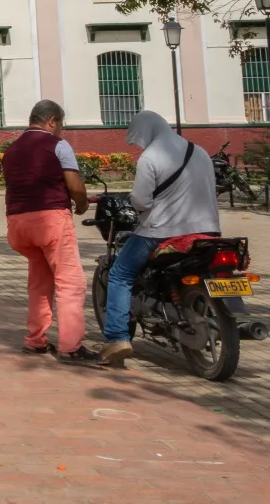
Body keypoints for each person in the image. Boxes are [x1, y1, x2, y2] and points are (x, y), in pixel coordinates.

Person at [100, 110, 223, 367]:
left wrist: (134, 204)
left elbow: (142, 201)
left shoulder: (150, 157)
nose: (139, 145)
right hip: (207, 231)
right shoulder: (198, 151)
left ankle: (117, 338)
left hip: (160, 232)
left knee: (120, 273)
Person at [1, 99, 100, 363]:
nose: (61, 130)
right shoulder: (58, 145)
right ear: (52, 121)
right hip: (51, 220)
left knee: (40, 281)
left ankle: (35, 340)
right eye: (60, 125)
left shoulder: (12, 150)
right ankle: (71, 346)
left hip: (18, 223)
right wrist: (81, 205)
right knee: (71, 282)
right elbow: (75, 185)